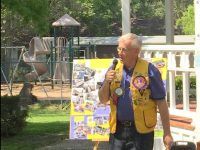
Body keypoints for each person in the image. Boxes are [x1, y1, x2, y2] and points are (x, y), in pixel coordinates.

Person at [98, 33, 173, 150]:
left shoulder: (150, 70)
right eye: (118, 48)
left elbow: (162, 103)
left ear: (136, 51)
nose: (119, 52)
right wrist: (107, 82)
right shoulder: (113, 69)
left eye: (124, 50)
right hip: (118, 131)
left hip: (142, 132)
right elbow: (103, 100)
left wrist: (167, 133)